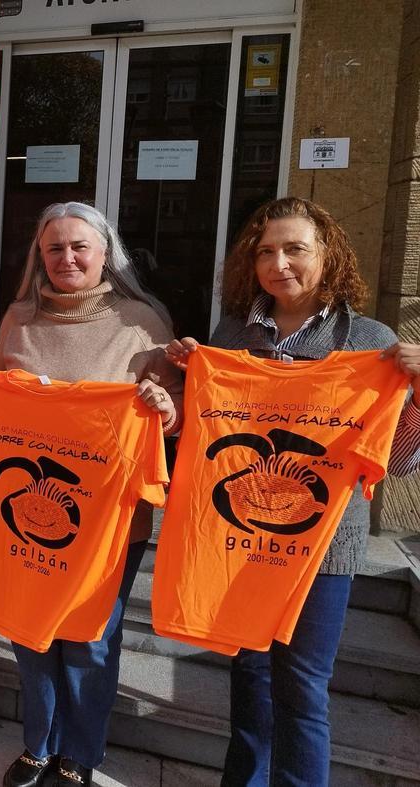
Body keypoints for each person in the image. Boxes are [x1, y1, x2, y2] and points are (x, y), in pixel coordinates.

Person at [166, 196, 420, 787]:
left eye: (295, 248)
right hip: (239, 534)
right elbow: (208, 432)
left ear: (327, 255)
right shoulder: (233, 334)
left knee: (302, 685)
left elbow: (400, 460)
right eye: (265, 251)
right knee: (249, 675)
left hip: (325, 544)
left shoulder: (369, 341)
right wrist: (189, 376)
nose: (279, 263)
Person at [0, 202, 181, 787]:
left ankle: (80, 753)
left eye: (80, 246)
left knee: (89, 640)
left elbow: (179, 414)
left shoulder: (143, 321)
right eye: (54, 248)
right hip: (27, 515)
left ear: (107, 253)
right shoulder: (20, 318)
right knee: (32, 632)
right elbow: (7, 394)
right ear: (40, 256)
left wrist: (165, 408)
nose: (67, 258)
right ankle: (39, 743)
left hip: (107, 519)